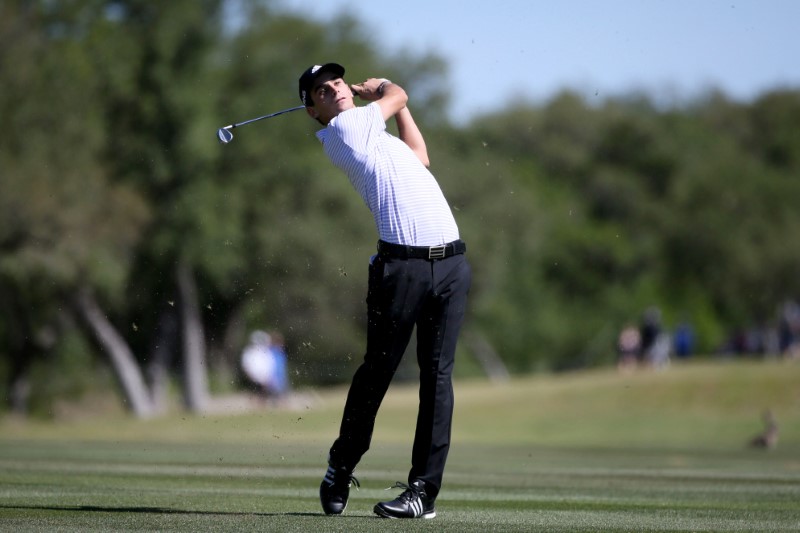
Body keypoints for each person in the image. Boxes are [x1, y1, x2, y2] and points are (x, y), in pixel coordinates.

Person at [297, 63, 471, 519]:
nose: (333, 88)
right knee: (378, 372)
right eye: (320, 89)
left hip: (450, 264)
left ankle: (422, 493)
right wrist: (384, 89)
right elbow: (397, 95)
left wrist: (399, 106)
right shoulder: (344, 131)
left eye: (336, 81)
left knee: (438, 380)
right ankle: (341, 464)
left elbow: (421, 155)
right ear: (313, 110)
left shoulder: (378, 138)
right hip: (401, 269)